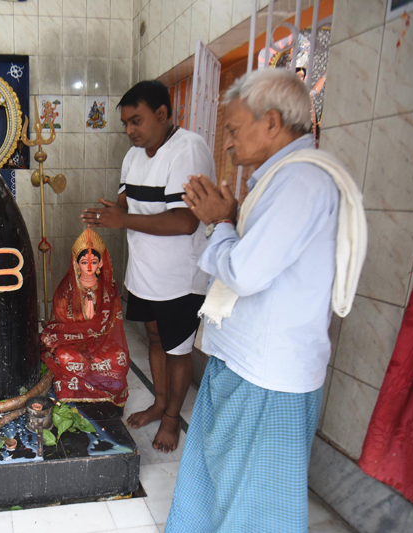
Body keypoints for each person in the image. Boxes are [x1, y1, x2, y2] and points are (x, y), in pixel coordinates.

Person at [166, 68, 366, 532]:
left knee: (255, 506)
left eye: (234, 130)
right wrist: (229, 219)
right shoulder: (278, 179)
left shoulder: (302, 183)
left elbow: (246, 271)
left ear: (272, 122)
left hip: (267, 376)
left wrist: (220, 222)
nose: (229, 143)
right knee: (214, 479)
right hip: (243, 362)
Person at [81, 80, 215, 452]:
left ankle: (172, 419)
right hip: (144, 273)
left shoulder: (189, 150)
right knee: (155, 338)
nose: (130, 131)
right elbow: (127, 201)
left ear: (161, 113)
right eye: (126, 123)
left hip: (179, 277)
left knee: (178, 349)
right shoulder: (134, 156)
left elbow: (185, 221)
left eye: (136, 121)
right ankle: (159, 402)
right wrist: (109, 212)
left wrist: (121, 220)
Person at [41, 229, 129, 406]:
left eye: (94, 262)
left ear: (101, 263)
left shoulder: (108, 287)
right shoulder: (67, 288)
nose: (89, 267)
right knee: (65, 358)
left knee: (119, 359)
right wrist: (82, 320)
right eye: (84, 262)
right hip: (72, 339)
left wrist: (96, 326)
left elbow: (113, 321)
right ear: (76, 263)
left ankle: (107, 398)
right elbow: (61, 321)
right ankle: (73, 395)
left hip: (102, 338)